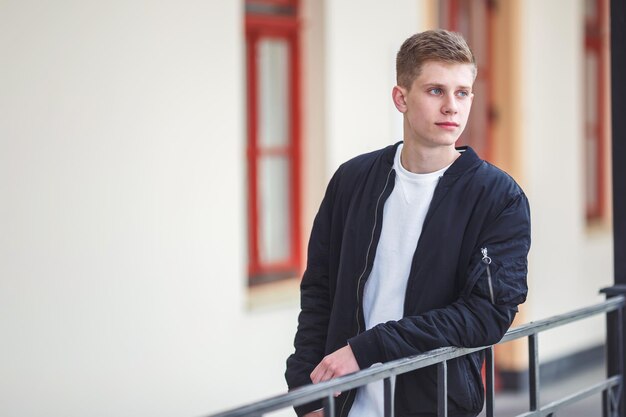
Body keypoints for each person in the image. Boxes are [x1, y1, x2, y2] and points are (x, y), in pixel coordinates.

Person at [285, 29, 531, 417]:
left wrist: (369, 348)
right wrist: (306, 393)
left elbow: (487, 313)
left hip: (435, 405)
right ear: (401, 97)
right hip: (345, 405)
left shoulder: (498, 197)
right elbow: (319, 291)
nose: (452, 106)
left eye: (462, 92)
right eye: (436, 90)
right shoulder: (353, 181)